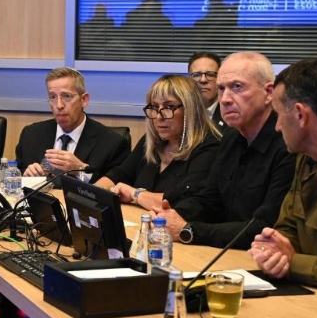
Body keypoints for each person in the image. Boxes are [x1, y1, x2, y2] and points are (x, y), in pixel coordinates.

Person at [153, 52, 295, 249]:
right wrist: (171, 216)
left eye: (237, 87)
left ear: (269, 93)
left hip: (259, 255)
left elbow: (265, 226)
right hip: (224, 251)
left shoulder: (288, 144)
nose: (225, 99)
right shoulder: (230, 138)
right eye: (221, 88)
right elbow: (209, 198)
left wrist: (189, 230)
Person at [249, 58, 317, 289]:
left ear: (300, 115)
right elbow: (288, 227)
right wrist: (275, 254)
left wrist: (292, 262)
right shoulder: (306, 157)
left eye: (277, 115)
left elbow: (292, 256)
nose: (277, 127)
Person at [96, 75, 220, 210]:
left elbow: (184, 201)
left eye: (169, 107)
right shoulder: (152, 141)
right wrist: (92, 192)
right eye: (155, 107)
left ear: (190, 110)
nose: (159, 116)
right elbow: (119, 175)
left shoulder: (209, 146)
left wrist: (135, 194)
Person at [15, 67, 130, 185]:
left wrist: (80, 170)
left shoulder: (112, 143)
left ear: (84, 100)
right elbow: (16, 176)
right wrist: (26, 176)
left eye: (66, 96)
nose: (59, 105)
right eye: (53, 97)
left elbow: (115, 187)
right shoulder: (31, 134)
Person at [187, 51, 227, 131]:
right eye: (196, 75)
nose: (203, 80)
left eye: (210, 74)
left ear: (220, 79)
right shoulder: (181, 114)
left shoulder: (230, 116)